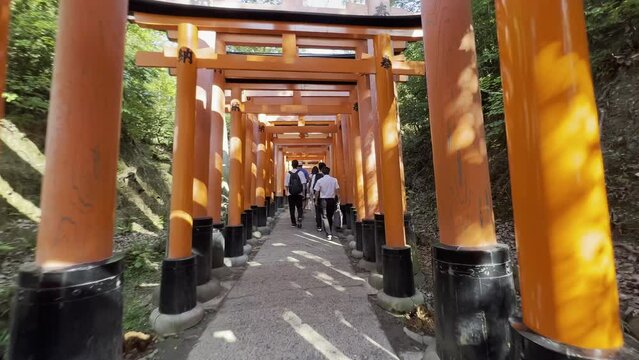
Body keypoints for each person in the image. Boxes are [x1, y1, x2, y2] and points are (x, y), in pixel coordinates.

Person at [313, 166, 339, 239]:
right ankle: (329, 230)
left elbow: (317, 192)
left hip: (323, 200)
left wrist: (315, 200)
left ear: (322, 173)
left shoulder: (320, 181)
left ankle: (329, 233)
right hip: (332, 200)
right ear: (329, 172)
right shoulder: (334, 180)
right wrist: (338, 199)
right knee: (330, 216)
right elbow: (337, 191)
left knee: (325, 217)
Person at [285, 159, 307, 228]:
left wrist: (287, 192)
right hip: (299, 193)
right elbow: (303, 184)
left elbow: (286, 185)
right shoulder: (301, 173)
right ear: (297, 165)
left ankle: (293, 223)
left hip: (290, 194)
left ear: (292, 165)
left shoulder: (288, 173)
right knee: (299, 207)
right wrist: (303, 193)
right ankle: (299, 217)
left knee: (292, 208)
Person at [311, 162, 326, 232]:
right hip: (326, 196)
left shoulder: (315, 176)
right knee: (325, 211)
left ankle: (319, 226)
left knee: (318, 212)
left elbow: (312, 187)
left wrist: (312, 195)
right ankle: (326, 226)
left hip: (317, 196)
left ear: (319, 168)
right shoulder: (327, 176)